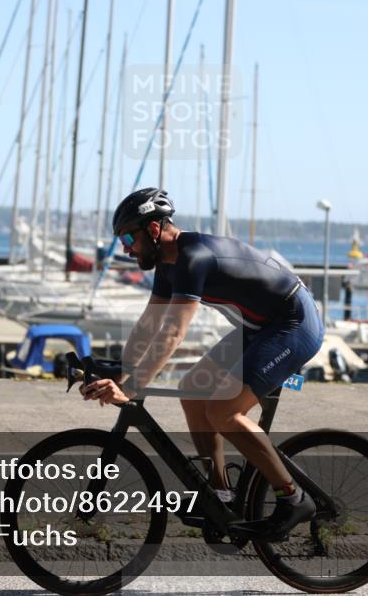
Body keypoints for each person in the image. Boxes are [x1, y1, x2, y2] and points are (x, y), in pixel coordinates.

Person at [80, 188, 325, 539]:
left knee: (224, 412)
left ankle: (293, 497)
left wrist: (132, 386)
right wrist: (122, 369)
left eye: (128, 237)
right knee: (192, 390)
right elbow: (150, 324)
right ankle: (220, 493)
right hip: (260, 326)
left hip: (293, 322)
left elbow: (172, 334)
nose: (125, 248)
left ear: (153, 230)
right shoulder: (167, 264)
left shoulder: (194, 258)